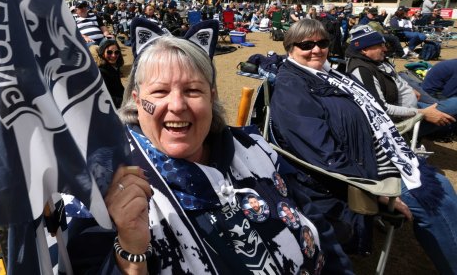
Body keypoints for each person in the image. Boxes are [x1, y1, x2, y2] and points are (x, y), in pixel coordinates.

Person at [68, 18, 353, 274]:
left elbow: (312, 220)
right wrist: (131, 250)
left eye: (193, 90)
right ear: (137, 100)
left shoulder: (252, 147)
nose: (177, 106)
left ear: (211, 97)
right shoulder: (104, 186)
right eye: (160, 91)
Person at [271, 19, 457, 274]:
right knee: (434, 201)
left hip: (377, 155)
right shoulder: (292, 86)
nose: (316, 49)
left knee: (442, 187)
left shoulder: (330, 74)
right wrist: (376, 191)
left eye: (322, 43)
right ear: (290, 47)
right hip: (359, 175)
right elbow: (320, 151)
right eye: (306, 44)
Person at [346, 26, 457, 138]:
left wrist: (409, 89)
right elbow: (380, 108)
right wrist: (421, 113)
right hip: (404, 120)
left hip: (411, 107)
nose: (385, 49)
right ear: (364, 49)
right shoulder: (362, 70)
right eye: (380, 45)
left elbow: (394, 77)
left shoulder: (375, 59)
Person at [96, 39, 125, 109]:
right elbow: (106, 97)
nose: (113, 55)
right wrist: (125, 102)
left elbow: (120, 88)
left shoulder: (114, 67)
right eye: (109, 52)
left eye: (117, 52)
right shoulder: (101, 72)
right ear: (102, 53)